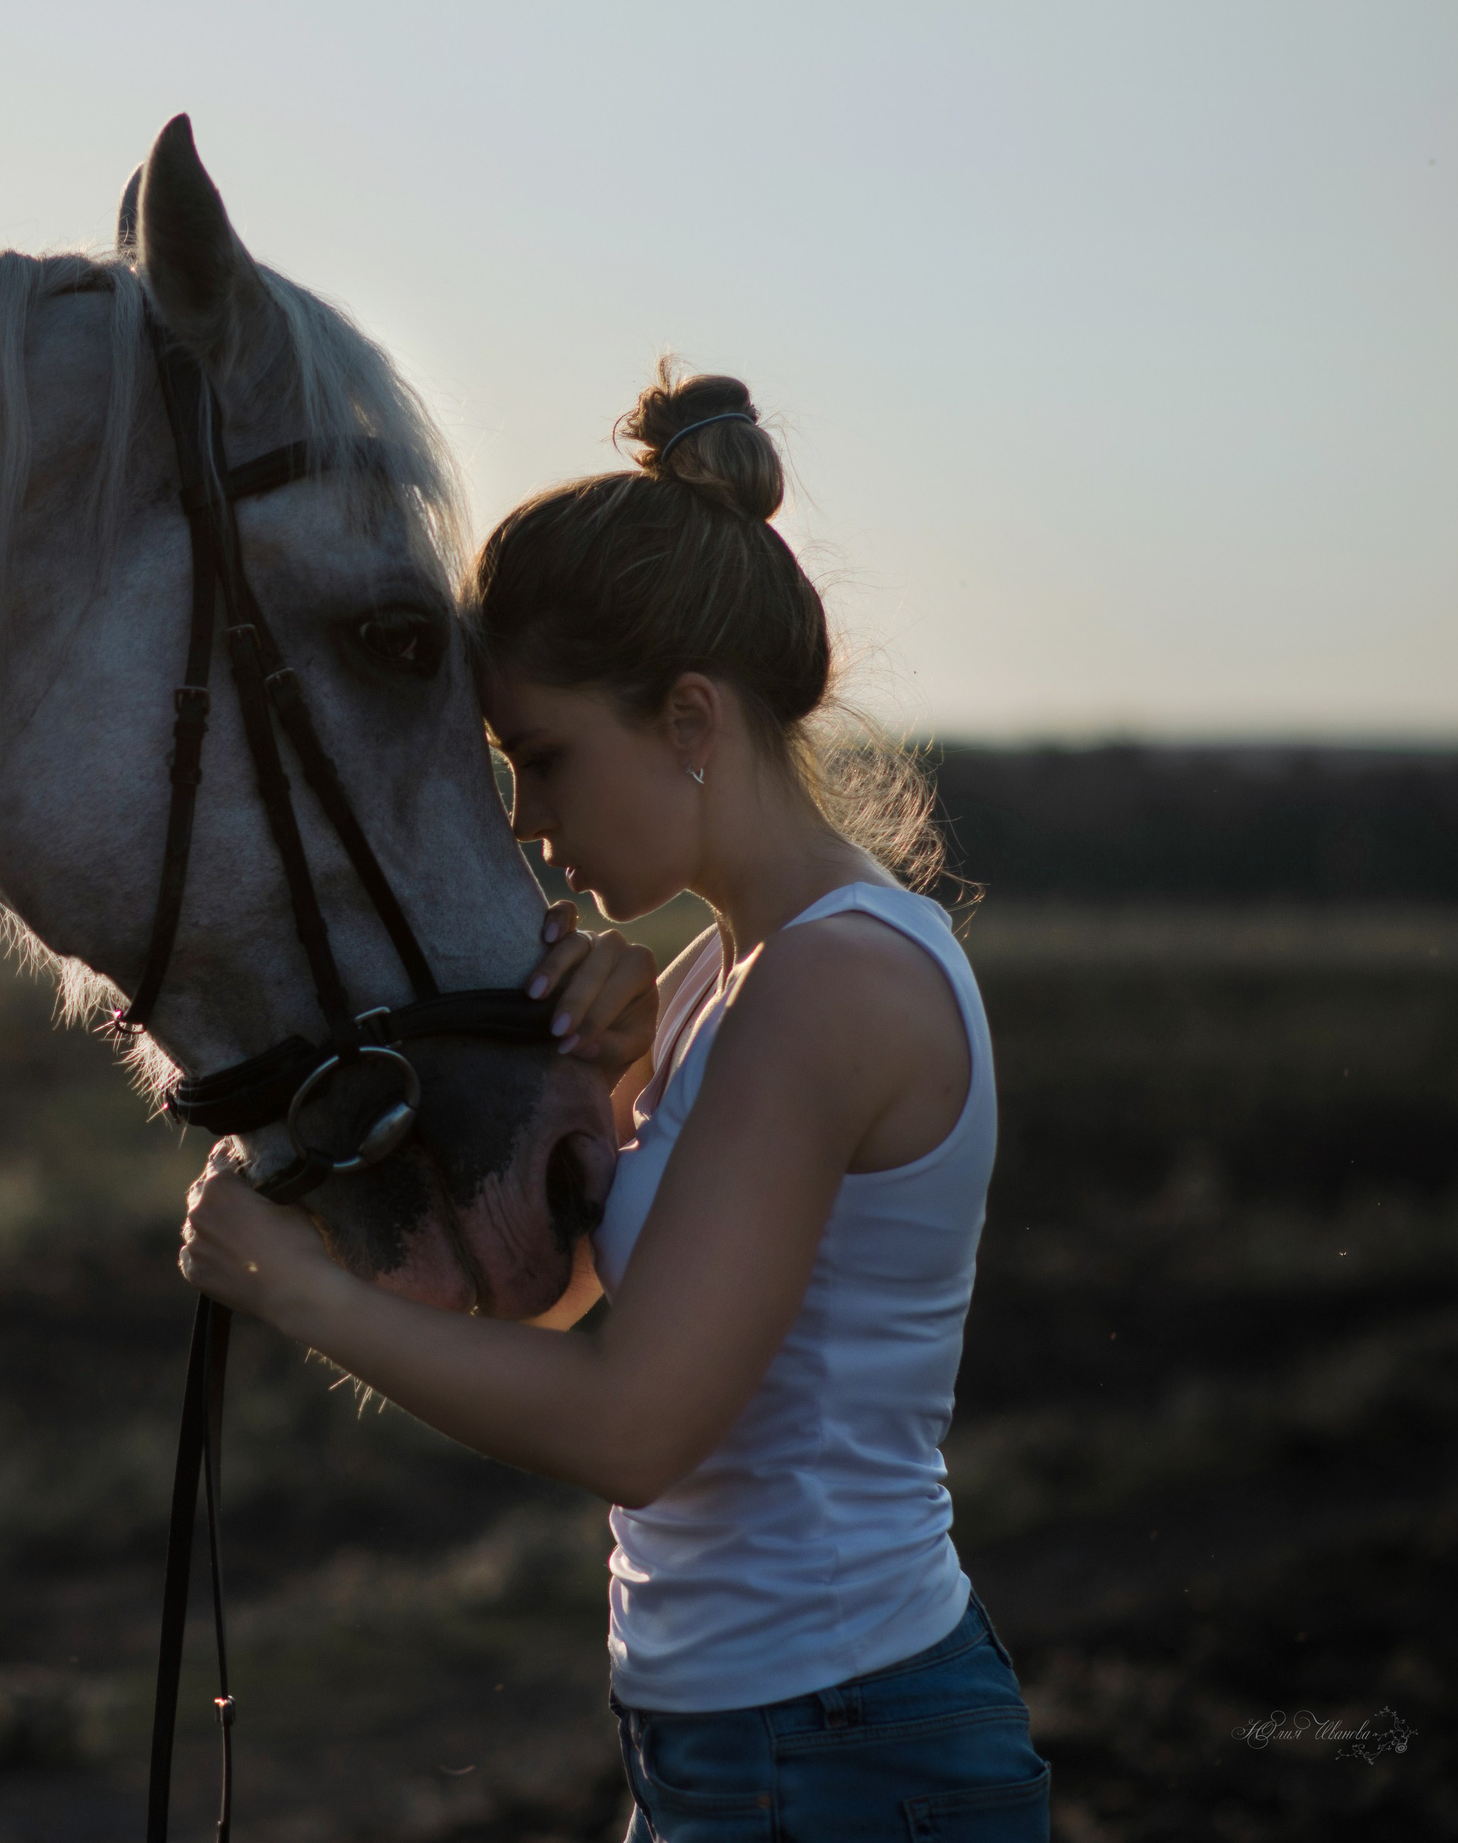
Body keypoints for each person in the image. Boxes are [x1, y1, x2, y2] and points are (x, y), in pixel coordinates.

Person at [179, 362, 1052, 1838]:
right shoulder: (732, 973)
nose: (528, 821)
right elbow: (582, 1306)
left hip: (834, 1756)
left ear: (693, 718)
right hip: (758, 1744)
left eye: (547, 759)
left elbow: (637, 1422)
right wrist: (596, 1087)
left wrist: (305, 1301)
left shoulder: (827, 992)